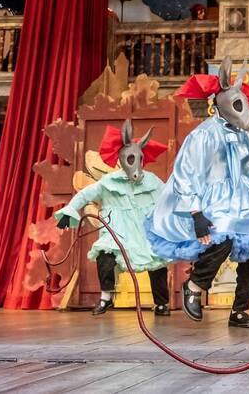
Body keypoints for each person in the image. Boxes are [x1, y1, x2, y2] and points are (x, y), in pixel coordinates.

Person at [146, 58, 249, 328]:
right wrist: (196, 213)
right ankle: (195, 285)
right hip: (215, 199)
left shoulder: (244, 134)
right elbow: (186, 172)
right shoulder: (203, 135)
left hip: (243, 199)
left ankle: (239, 310)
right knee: (220, 240)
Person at [55, 121, 170, 316]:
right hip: (117, 230)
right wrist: (69, 211)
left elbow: (170, 198)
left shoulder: (152, 181)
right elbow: (85, 195)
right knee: (104, 255)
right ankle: (106, 297)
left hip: (145, 230)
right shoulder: (108, 182)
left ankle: (161, 303)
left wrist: (191, 217)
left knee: (157, 260)